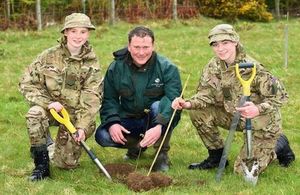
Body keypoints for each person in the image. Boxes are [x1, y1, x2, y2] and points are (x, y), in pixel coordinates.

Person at [172, 24, 295, 177]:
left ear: (235, 41)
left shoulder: (253, 68)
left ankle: (279, 145)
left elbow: (281, 96)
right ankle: (216, 157)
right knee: (197, 111)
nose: (220, 48)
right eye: (215, 44)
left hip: (261, 122)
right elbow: (206, 94)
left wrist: (257, 109)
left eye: (225, 43)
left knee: (242, 173)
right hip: (234, 115)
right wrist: (188, 103)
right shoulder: (213, 66)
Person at [19, 13, 102, 181]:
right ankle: (41, 166)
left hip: (73, 116)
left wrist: (82, 127)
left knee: (65, 164)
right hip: (51, 110)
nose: (78, 36)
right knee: (35, 114)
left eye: (83, 32)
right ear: (65, 32)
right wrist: (48, 103)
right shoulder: (48, 56)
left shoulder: (92, 63)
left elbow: (92, 97)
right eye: (73, 31)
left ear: (88, 33)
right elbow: (26, 83)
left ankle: (48, 145)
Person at [95, 26, 182, 172]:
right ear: (129, 46)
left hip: (157, 118)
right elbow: (109, 99)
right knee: (102, 136)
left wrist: (159, 126)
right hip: (130, 118)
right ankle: (137, 147)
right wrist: (113, 123)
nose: (141, 53)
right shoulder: (115, 68)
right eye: (136, 47)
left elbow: (174, 100)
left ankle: (161, 155)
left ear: (153, 46)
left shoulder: (167, 68)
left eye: (146, 47)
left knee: (157, 106)